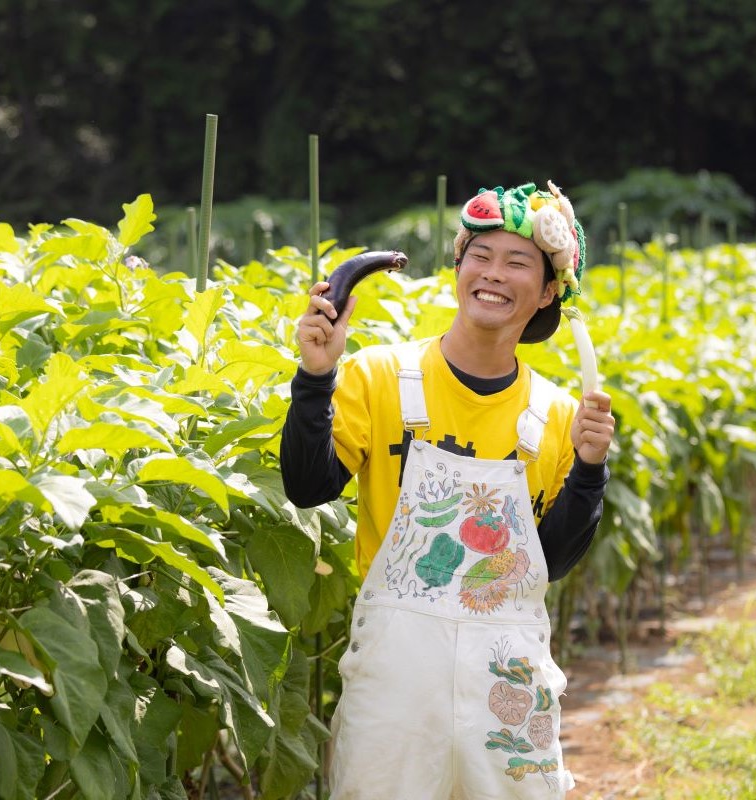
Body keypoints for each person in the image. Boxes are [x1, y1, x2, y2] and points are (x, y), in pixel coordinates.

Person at [280, 180, 614, 799]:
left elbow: (553, 562)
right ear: (457, 267)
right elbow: (307, 487)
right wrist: (316, 378)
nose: (493, 273)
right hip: (396, 672)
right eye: (480, 256)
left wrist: (590, 468)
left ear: (547, 291)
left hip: (508, 673)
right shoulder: (381, 376)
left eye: (518, 262)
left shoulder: (560, 415)